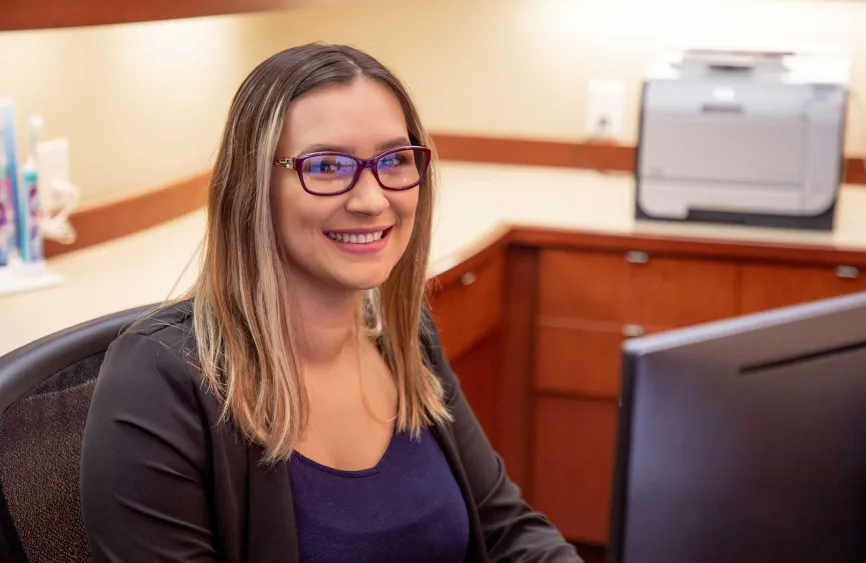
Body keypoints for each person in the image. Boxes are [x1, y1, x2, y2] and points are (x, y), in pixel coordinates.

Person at [79, 43, 581, 563]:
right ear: (253, 189)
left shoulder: (401, 335)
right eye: (325, 166)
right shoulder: (161, 382)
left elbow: (508, 531)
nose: (371, 200)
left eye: (394, 159)